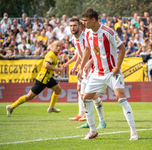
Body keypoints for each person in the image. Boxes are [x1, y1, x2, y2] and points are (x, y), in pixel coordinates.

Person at [77, 7, 138, 140]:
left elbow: (122, 48)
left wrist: (117, 67)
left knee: (121, 97)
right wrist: (82, 67)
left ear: (93, 20)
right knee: (86, 98)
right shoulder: (87, 32)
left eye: (86, 21)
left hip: (111, 72)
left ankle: (133, 132)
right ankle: (93, 131)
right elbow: (87, 49)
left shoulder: (108, 31)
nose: (84, 23)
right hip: (96, 73)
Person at [6, 40, 64, 117]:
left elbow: (48, 66)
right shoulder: (51, 55)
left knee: (58, 90)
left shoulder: (54, 54)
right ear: (52, 46)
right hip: (43, 79)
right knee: (29, 96)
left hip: (48, 78)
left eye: (60, 46)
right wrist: (58, 69)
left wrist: (55, 71)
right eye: (57, 46)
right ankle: (11, 107)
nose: (58, 48)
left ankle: (51, 107)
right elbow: (46, 65)